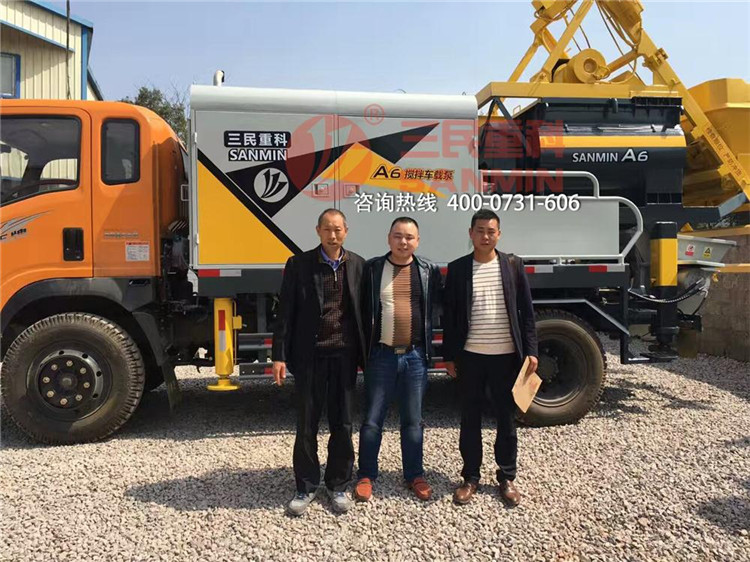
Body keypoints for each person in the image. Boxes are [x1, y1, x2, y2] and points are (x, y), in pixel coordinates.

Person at [271, 208, 367, 516]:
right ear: (318, 231)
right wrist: (279, 355)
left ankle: (338, 484)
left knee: (343, 423)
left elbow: (366, 313)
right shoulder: (299, 265)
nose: (333, 235)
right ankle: (306, 485)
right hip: (310, 356)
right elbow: (285, 313)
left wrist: (368, 357)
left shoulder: (358, 265)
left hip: (344, 356)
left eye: (338, 229)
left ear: (346, 231)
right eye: (327, 229)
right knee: (306, 423)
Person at [443, 209, 538, 507]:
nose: (485, 236)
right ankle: (470, 477)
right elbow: (450, 316)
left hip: (506, 357)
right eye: (480, 230)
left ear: (499, 234)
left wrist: (532, 351)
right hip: (470, 357)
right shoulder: (458, 269)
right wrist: (449, 356)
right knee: (469, 418)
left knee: (506, 419)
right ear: (470, 233)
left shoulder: (512, 265)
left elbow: (527, 312)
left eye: (491, 231)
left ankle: (506, 477)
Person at [353, 216, 442, 502]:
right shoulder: (373, 269)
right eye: (398, 236)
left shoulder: (428, 270)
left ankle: (415, 475)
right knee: (372, 419)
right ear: (388, 238)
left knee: (413, 420)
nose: (403, 242)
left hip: (415, 356)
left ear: (418, 241)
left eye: (409, 237)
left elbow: (436, 309)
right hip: (381, 355)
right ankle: (366, 475)